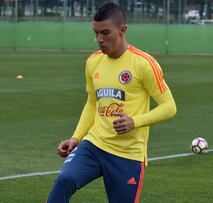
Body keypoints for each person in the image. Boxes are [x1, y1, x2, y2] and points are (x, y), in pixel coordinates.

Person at [47, 2, 176, 203]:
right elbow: (92, 103)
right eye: (96, 33)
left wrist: (134, 121)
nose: (99, 39)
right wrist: (76, 137)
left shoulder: (143, 63)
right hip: (94, 145)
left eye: (105, 33)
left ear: (122, 30)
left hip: (128, 155)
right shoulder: (93, 62)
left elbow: (169, 107)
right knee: (65, 179)